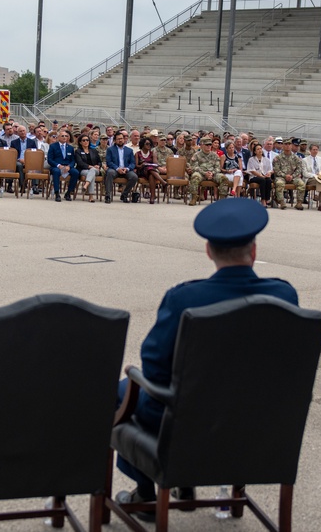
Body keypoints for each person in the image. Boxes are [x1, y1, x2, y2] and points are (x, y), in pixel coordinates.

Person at [114, 199, 298, 516]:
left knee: (121, 390)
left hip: (185, 422)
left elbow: (155, 368)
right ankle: (179, 484)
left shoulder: (185, 298)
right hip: (260, 421)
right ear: (254, 252)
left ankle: (146, 494)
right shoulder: (284, 295)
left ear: (209, 252)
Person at [187, 137, 228, 205]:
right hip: (201, 173)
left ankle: (222, 199)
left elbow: (218, 168)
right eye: (207, 145)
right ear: (202, 145)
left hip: (213, 174)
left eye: (210, 145)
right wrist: (204, 173)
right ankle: (194, 198)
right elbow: (194, 167)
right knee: (195, 176)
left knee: (223, 178)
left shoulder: (215, 155)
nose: (209, 146)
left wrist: (212, 173)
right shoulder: (197, 155)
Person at [105, 131, 138, 204]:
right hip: (115, 169)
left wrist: (127, 169)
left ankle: (124, 194)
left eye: (121, 138)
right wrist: (117, 168)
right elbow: (109, 162)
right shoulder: (110, 149)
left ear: (124, 139)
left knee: (134, 177)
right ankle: (108, 195)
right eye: (118, 139)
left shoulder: (129, 150)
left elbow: (133, 163)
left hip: (126, 170)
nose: (120, 140)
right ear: (115, 140)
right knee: (110, 173)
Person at [273, 138, 305, 210]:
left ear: (291, 146)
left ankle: (299, 203)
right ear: (283, 146)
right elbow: (276, 170)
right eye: (286, 144)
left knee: (301, 184)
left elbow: (299, 169)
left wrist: (292, 176)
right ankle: (281, 202)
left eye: (289, 144)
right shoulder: (278, 158)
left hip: (293, 177)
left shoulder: (296, 158)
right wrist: (285, 176)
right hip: (281, 177)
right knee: (279, 183)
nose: (287, 146)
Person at [47, 129, 78, 202]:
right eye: (62, 136)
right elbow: (50, 159)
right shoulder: (53, 146)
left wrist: (69, 166)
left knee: (76, 172)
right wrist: (58, 165)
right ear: (58, 137)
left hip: (67, 166)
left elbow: (73, 160)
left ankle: (68, 192)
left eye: (66, 136)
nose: (64, 137)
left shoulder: (70, 148)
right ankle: (57, 193)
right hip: (56, 166)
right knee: (56, 172)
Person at [74, 133, 102, 202]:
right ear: (80, 142)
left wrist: (98, 165)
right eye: (83, 140)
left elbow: (99, 161)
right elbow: (79, 163)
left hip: (96, 170)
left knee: (92, 171)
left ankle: (86, 185)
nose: (86, 141)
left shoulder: (94, 151)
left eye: (87, 140)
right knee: (91, 173)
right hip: (84, 170)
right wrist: (90, 166)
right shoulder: (78, 151)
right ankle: (91, 196)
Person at [245, 142, 273, 208]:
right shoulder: (251, 159)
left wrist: (268, 174)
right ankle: (263, 200)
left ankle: (267, 199)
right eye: (258, 149)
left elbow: (270, 170)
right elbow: (252, 170)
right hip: (254, 177)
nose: (260, 150)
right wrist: (261, 176)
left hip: (264, 176)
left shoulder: (267, 160)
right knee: (262, 180)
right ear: (254, 151)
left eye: (260, 148)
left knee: (269, 180)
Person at [302, 143, 321, 211]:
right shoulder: (304, 160)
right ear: (310, 150)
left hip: (320, 178)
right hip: (310, 178)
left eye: (316, 149)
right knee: (320, 182)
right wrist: (315, 175)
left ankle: (319, 201)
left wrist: (320, 175)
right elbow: (305, 173)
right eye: (313, 149)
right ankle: (320, 203)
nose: (315, 151)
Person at [135, 137, 162, 204]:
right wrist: (142, 165)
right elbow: (136, 166)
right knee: (149, 170)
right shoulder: (137, 154)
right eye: (147, 144)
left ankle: (152, 197)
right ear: (142, 145)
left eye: (150, 144)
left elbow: (156, 164)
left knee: (151, 174)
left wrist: (153, 159)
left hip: (150, 172)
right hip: (141, 171)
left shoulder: (152, 153)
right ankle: (162, 182)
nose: (149, 145)